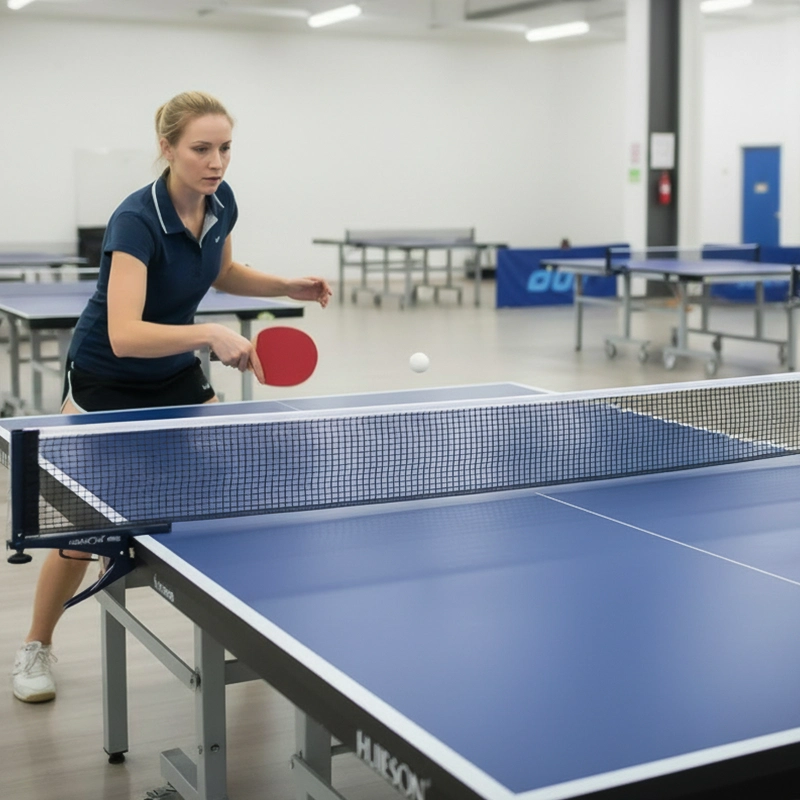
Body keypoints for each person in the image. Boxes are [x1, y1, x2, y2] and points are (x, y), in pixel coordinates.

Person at [12, 90, 332, 703]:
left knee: (232, 503)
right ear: (167, 148)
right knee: (83, 532)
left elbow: (222, 272)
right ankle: (36, 646)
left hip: (173, 372)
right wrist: (210, 333)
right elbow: (125, 335)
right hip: (107, 378)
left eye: (226, 148)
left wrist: (283, 283)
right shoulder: (135, 220)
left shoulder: (221, 201)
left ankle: (252, 632)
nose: (216, 162)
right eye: (201, 149)